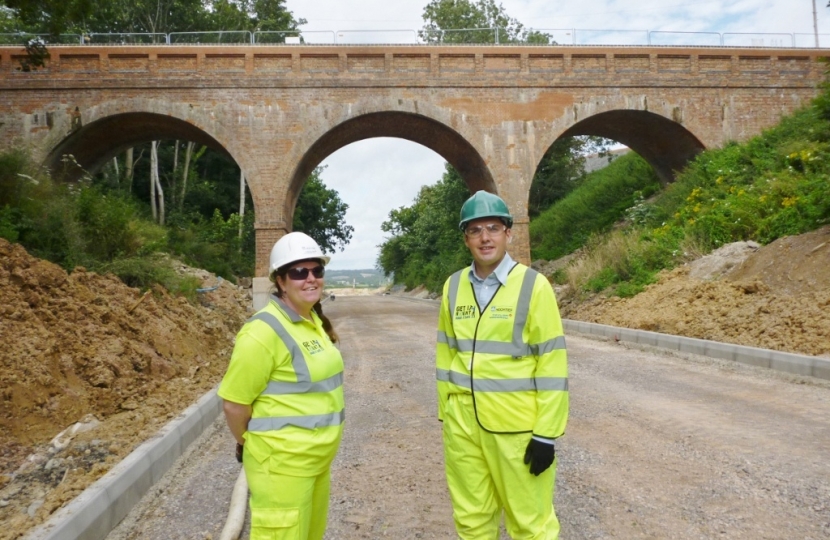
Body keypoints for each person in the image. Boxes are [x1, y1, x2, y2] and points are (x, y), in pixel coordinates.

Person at [436, 190, 569, 539]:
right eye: (475, 230)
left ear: (508, 233)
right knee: (471, 519)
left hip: (517, 430)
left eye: (493, 228)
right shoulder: (452, 288)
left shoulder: (534, 286)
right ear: (466, 238)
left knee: (530, 523)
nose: (485, 238)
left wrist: (546, 433)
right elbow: (445, 356)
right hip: (463, 428)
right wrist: (446, 413)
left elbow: (552, 364)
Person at [218, 232, 345, 540]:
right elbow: (235, 404)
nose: (311, 278)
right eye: (299, 272)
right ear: (281, 281)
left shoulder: (310, 321)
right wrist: (250, 444)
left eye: (317, 270)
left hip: (315, 463)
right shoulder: (262, 332)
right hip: (282, 467)